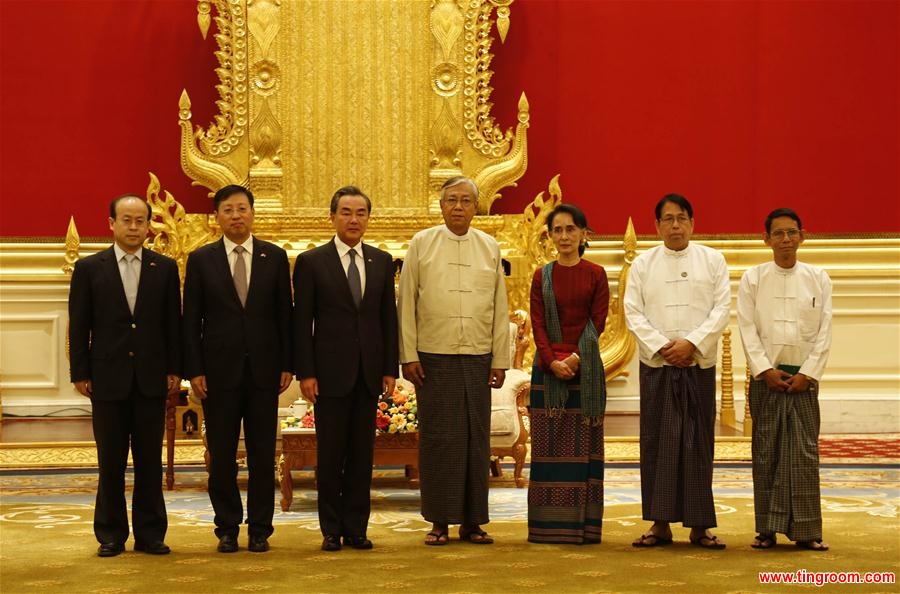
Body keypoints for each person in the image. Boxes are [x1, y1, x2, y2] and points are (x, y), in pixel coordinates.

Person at [398, 176, 510, 546]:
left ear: (476, 206)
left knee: (476, 440)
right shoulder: (422, 244)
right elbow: (407, 303)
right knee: (439, 440)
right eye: (451, 200)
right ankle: (440, 521)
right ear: (441, 205)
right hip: (434, 356)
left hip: (478, 355)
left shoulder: (489, 246)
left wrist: (499, 359)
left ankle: (473, 521)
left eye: (465, 200)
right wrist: (408, 354)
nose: (459, 207)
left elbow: (499, 308)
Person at [68, 194, 181, 557]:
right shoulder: (89, 268)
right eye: (127, 220)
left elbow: (172, 327)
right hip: (106, 378)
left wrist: (174, 370)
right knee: (111, 463)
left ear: (149, 225)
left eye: (140, 221)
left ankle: (150, 534)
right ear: (111, 224)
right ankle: (111, 534)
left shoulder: (163, 268)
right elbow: (79, 325)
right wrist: (80, 372)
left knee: (149, 461)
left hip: (151, 378)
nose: (134, 227)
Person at [183, 184, 293, 553]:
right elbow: (191, 320)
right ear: (217, 217)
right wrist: (194, 370)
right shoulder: (201, 260)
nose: (236, 216)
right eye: (228, 210)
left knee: (263, 455)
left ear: (252, 213)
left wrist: (287, 364)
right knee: (222, 455)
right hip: (217, 375)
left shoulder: (274, 258)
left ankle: (260, 528)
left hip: (264, 373)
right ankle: (227, 527)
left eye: (242, 209)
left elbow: (284, 316)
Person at [293, 186, 399, 552]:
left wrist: (389, 369)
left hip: (370, 374)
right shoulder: (311, 262)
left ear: (368, 218)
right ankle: (331, 529)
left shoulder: (382, 261)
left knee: (361, 456)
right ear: (333, 217)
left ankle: (357, 527)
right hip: (327, 375)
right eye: (346, 212)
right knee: (331, 454)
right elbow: (301, 322)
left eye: (361, 213)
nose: (354, 219)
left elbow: (388, 318)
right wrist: (305, 372)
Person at [624, 193, 730, 549]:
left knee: (697, 443)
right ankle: (659, 524)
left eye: (681, 218)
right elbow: (633, 312)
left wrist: (691, 344)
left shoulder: (713, 260)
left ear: (692, 223)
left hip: (697, 364)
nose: (675, 226)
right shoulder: (642, 264)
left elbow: (721, 310)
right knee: (658, 443)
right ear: (656, 226)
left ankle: (700, 526)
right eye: (667, 219)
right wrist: (664, 347)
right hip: (658, 366)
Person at [737, 208, 832, 552]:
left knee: (804, 455)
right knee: (766, 454)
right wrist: (763, 370)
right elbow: (747, 328)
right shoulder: (754, 278)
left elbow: (824, 331)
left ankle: (808, 531)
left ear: (802, 236)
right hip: (767, 380)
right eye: (778, 234)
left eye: (792, 232)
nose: (786, 240)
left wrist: (808, 373)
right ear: (766, 239)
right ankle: (766, 530)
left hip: (805, 381)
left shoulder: (819, 278)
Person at [527, 204, 609, 544]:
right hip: (547, 373)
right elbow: (538, 323)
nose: (563, 236)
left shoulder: (596, 274)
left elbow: (597, 322)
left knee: (583, 450)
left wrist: (575, 359)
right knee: (548, 450)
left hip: (585, 370)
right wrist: (551, 361)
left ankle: (583, 527)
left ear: (583, 234)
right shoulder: (540, 276)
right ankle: (547, 527)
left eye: (570, 229)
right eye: (557, 230)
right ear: (550, 236)